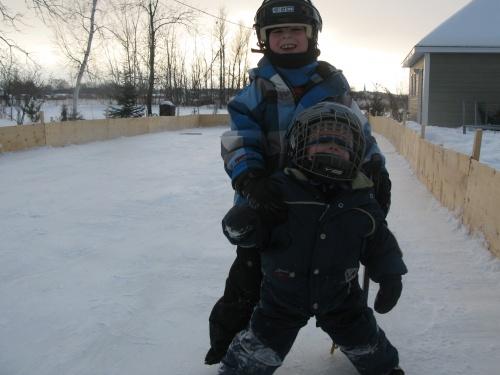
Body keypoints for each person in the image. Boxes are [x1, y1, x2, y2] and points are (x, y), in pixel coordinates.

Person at [205, 0, 391, 365]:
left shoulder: (333, 85)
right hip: (270, 202)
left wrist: (375, 167)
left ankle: (356, 336)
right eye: (277, 33)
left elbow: (359, 133)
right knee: (247, 279)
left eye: (295, 31)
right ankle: (227, 343)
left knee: (335, 277)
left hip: (329, 204)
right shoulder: (256, 91)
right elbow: (239, 139)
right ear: (264, 39)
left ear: (311, 36)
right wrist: (250, 177)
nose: (287, 39)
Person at [218, 102, 407, 375]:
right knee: (259, 348)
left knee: (365, 340)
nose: (332, 146)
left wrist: (390, 275)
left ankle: (386, 369)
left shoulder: (361, 198)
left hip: (340, 297)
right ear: (299, 145)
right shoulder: (279, 190)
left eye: (341, 143)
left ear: (355, 153)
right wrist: (242, 223)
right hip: (281, 298)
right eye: (322, 140)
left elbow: (380, 242)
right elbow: (251, 232)